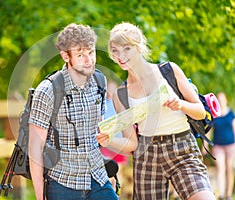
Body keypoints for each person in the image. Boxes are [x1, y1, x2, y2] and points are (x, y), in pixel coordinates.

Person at [97, 22, 216, 200]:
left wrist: (181, 105)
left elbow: (200, 112)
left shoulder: (169, 70)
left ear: (138, 47)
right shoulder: (120, 94)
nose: (120, 56)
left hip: (182, 148)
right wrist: (109, 141)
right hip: (147, 156)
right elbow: (132, 144)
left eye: (127, 48)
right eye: (115, 50)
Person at [28, 23, 118, 200]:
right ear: (65, 56)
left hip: (97, 178)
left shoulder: (100, 81)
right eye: (80, 54)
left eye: (91, 52)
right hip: (62, 183)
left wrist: (107, 136)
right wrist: (40, 197)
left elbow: (98, 131)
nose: (88, 60)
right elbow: (35, 148)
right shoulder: (47, 90)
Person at [204, 92, 235, 200]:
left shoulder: (231, 114)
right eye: (219, 99)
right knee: (220, 167)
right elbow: (209, 131)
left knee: (229, 168)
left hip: (231, 145)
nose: (221, 100)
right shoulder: (214, 115)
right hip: (218, 145)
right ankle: (221, 194)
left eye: (222, 98)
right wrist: (205, 144)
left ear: (225, 100)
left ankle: (228, 194)